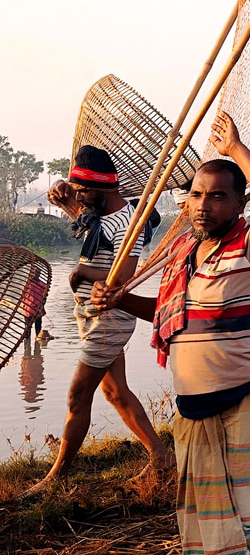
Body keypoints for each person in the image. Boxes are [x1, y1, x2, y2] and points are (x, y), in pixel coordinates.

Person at [90, 113, 250, 554]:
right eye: (197, 194)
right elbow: (168, 312)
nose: (204, 204)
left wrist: (235, 148)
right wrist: (118, 299)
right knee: (208, 518)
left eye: (218, 196)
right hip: (193, 405)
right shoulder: (182, 252)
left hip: (243, 398)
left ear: (241, 203)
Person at [26, 146, 173, 497]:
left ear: (100, 190)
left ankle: (58, 475)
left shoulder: (129, 223)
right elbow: (89, 224)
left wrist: (81, 271)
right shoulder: (104, 214)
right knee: (114, 391)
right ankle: (162, 456)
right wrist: (64, 200)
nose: (79, 198)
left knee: (78, 395)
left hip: (110, 317)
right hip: (93, 317)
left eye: (83, 191)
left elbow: (121, 278)